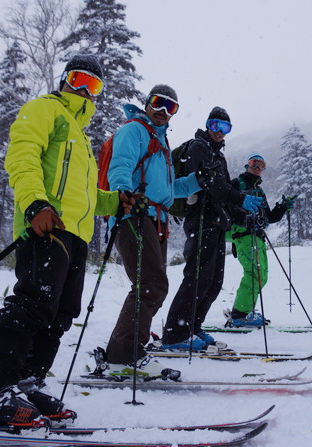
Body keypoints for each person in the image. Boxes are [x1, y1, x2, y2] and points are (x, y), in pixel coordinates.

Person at [0, 54, 133, 427]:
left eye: (94, 85)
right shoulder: (45, 109)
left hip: (76, 234)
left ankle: (25, 384)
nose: (84, 89)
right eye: (78, 79)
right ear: (64, 79)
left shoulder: (82, 139)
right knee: (33, 305)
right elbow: (22, 157)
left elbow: (86, 196)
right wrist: (35, 203)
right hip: (46, 225)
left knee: (60, 314)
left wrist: (113, 200)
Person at [99, 85, 204, 378]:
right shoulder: (134, 131)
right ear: (147, 104)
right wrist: (122, 194)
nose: (163, 111)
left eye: (171, 107)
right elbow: (120, 165)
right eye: (159, 103)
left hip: (154, 218)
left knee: (152, 285)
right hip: (133, 212)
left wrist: (197, 181)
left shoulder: (161, 142)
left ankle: (121, 352)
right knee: (150, 284)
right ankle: (124, 355)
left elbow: (169, 190)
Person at [160, 107, 264, 351]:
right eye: (215, 125)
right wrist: (240, 199)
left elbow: (225, 190)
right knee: (196, 279)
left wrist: (244, 215)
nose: (219, 131)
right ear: (207, 125)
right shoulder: (198, 147)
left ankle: (193, 327)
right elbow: (210, 184)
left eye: (225, 128)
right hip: (201, 221)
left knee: (213, 281)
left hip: (217, 223)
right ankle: (175, 334)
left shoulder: (219, 156)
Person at [226, 153, 296, 327]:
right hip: (244, 236)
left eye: (261, 165)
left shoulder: (259, 190)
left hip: (258, 238)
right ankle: (239, 315)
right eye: (253, 163)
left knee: (261, 276)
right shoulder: (236, 185)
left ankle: (243, 311)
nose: (257, 168)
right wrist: (245, 220)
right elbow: (226, 211)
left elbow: (269, 217)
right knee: (254, 274)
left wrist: (282, 207)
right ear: (246, 165)